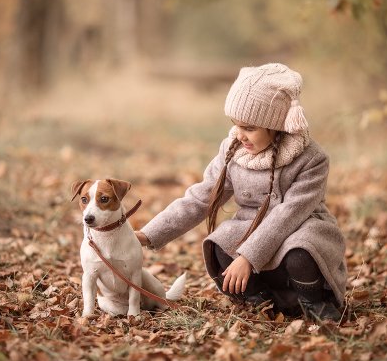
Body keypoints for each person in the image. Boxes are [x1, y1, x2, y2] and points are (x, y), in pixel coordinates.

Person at [135, 63, 347, 321]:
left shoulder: (311, 159)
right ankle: (259, 298)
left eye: (249, 128)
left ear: (276, 125)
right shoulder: (233, 150)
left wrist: (249, 256)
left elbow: (289, 213)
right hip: (252, 229)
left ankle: (314, 301)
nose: (240, 135)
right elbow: (202, 196)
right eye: (236, 125)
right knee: (221, 242)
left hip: (298, 227)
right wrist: (148, 234)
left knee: (302, 250)